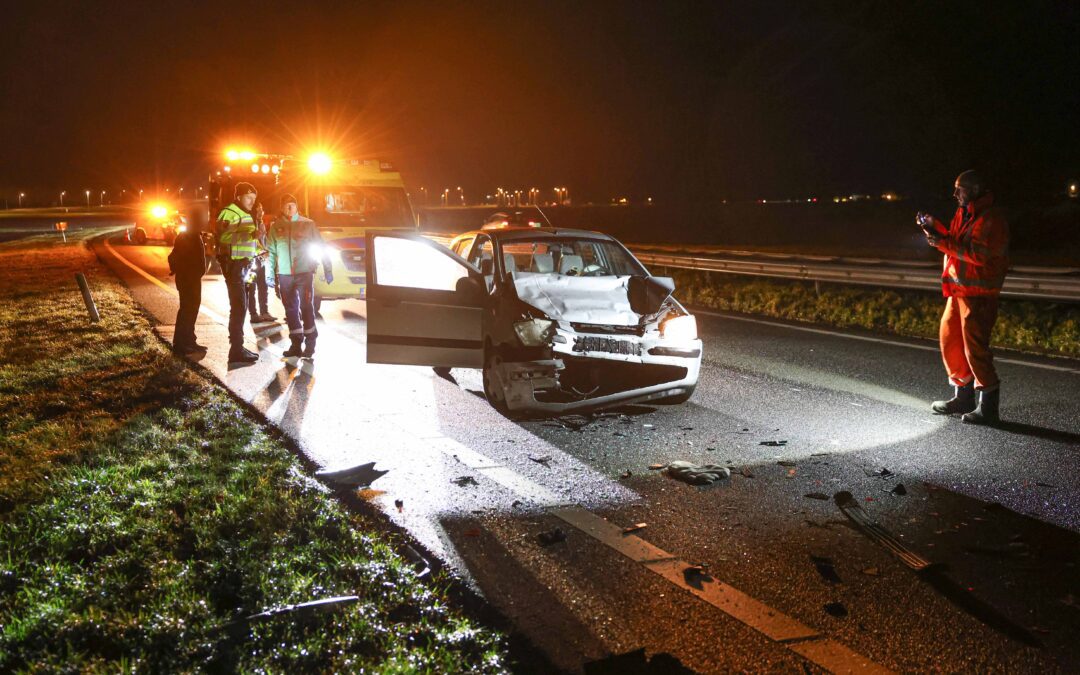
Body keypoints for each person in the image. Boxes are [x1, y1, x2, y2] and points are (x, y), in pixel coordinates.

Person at [917, 170, 1009, 425]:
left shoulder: (992, 219)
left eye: (961, 189)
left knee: (975, 349)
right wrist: (935, 229)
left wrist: (943, 244)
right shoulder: (964, 213)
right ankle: (963, 396)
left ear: (975, 189)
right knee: (951, 342)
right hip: (959, 291)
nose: (955, 194)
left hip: (979, 295)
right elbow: (954, 240)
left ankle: (988, 407)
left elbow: (978, 254)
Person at [266, 193, 333, 358]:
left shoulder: (308, 224)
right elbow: (271, 252)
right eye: (286, 205)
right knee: (291, 310)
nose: (289, 207)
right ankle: (296, 344)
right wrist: (270, 274)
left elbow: (321, 246)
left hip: (304, 273)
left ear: (296, 206)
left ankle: (310, 343)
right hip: (284, 275)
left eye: (292, 204)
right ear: (282, 207)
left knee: (306, 307)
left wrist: (328, 268)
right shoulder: (276, 227)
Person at [216, 182, 261, 364]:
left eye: (254, 198)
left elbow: (247, 242)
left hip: (243, 265)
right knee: (239, 307)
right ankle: (236, 350)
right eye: (249, 197)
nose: (252, 201)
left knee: (241, 306)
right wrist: (251, 235)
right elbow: (222, 237)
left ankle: (237, 348)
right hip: (234, 266)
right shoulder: (231, 213)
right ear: (239, 196)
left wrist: (258, 252)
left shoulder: (244, 214)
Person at [168, 205, 209, 354]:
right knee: (187, 310)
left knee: (192, 310)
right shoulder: (187, 236)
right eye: (201, 218)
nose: (204, 221)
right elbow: (175, 257)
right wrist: (181, 271)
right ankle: (180, 343)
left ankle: (190, 340)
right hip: (188, 280)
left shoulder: (194, 234)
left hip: (193, 279)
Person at [246, 200, 275, 323]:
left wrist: (267, 251)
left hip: (261, 260)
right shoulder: (249, 223)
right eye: (259, 209)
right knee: (251, 287)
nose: (261, 212)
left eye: (262, 209)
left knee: (263, 287)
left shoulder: (261, 223)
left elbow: (263, 241)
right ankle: (253, 314)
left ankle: (264, 312)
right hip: (251, 262)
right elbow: (253, 242)